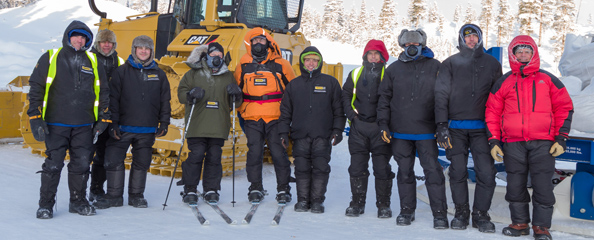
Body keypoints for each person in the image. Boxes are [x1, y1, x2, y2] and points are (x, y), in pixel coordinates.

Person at [486, 35, 573, 240]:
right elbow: (492, 111)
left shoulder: (548, 79)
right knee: (515, 185)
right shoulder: (504, 82)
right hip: (513, 143)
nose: (523, 55)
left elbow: (564, 107)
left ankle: (541, 227)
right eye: (519, 51)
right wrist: (494, 141)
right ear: (512, 55)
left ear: (533, 53)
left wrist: (561, 138)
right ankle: (520, 223)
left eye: (527, 51)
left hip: (543, 142)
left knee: (543, 185)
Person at [27, 20, 110, 219]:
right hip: (56, 124)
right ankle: (45, 205)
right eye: (76, 36)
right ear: (67, 36)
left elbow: (104, 92)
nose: (79, 40)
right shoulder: (51, 57)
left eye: (83, 37)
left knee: (81, 165)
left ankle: (78, 202)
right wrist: (35, 116)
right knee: (53, 165)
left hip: (84, 125)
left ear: (88, 40)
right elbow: (36, 87)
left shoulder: (93, 61)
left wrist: (104, 118)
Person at [434, 24, 502, 232]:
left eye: (475, 36)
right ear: (461, 40)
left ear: (480, 39)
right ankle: (461, 212)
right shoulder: (450, 64)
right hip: (455, 128)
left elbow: (499, 98)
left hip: (483, 129)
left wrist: (497, 130)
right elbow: (441, 95)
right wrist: (441, 125)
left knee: (486, 173)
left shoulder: (492, 64)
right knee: (458, 171)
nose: (471, 40)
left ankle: (481, 214)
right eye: (468, 37)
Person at [378, 29, 448, 228]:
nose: (411, 48)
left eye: (415, 45)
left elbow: (442, 98)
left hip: (427, 132)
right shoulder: (393, 69)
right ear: (402, 46)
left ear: (422, 45)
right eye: (407, 45)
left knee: (433, 171)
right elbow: (384, 99)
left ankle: (439, 214)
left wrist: (441, 124)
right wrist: (383, 124)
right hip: (400, 132)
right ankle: (406, 210)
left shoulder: (436, 66)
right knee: (405, 172)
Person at [94, 35, 171, 209]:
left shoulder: (159, 74)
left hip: (147, 128)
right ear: (134, 49)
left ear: (151, 51)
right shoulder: (121, 72)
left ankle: (136, 196)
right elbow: (113, 100)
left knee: (141, 163)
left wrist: (164, 123)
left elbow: (165, 101)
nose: (143, 51)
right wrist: (113, 124)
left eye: (147, 48)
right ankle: (114, 195)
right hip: (122, 128)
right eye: (140, 47)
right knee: (113, 160)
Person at [278, 47, 345, 213]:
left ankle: (317, 201)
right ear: (302, 62)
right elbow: (285, 112)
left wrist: (337, 130)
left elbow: (338, 110)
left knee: (321, 168)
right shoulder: (294, 85)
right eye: (308, 60)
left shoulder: (330, 83)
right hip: (300, 135)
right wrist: (283, 132)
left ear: (319, 63)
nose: (311, 63)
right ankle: (302, 201)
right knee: (301, 169)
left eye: (314, 60)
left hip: (322, 135)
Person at [234, 27, 296, 203]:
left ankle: (283, 189)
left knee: (278, 153)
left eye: (262, 41)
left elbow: (292, 89)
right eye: (255, 41)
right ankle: (255, 187)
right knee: (254, 153)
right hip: (252, 117)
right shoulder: (243, 64)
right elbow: (237, 89)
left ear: (268, 42)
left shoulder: (281, 64)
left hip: (275, 116)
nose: (258, 44)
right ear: (250, 43)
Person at [176, 42, 242, 205]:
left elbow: (236, 103)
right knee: (196, 154)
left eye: (220, 55)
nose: (217, 58)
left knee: (214, 157)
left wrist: (236, 94)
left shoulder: (228, 75)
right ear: (207, 55)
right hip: (197, 124)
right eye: (214, 55)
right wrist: (191, 94)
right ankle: (190, 188)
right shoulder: (193, 74)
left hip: (218, 125)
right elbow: (181, 94)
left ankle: (211, 189)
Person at [341, 39, 394, 218]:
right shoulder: (355, 73)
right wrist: (352, 116)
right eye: (370, 53)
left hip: (381, 128)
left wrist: (387, 122)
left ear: (382, 56)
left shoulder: (389, 74)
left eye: (376, 54)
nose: (373, 57)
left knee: (382, 168)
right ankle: (357, 203)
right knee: (357, 167)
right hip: (359, 127)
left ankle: (383, 205)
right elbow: (345, 95)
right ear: (365, 55)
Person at [89, 29, 125, 202]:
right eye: (103, 41)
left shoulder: (118, 61)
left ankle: (97, 188)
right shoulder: (88, 59)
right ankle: (81, 192)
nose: (106, 45)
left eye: (110, 42)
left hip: (110, 115)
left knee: (103, 155)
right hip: (90, 115)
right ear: (98, 43)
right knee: (86, 155)